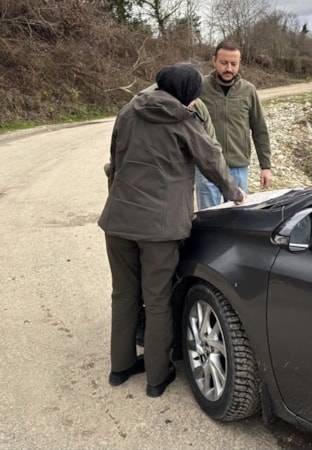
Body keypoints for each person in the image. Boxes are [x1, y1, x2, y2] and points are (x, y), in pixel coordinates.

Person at [98, 63, 244, 398]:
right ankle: (156, 377)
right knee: (158, 299)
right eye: (194, 96)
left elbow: (115, 162)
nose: (194, 102)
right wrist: (234, 193)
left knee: (123, 296)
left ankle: (120, 368)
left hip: (118, 221)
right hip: (160, 229)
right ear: (187, 94)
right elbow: (212, 160)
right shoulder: (182, 120)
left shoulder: (128, 111)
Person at [197, 40, 273, 209]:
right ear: (214, 60)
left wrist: (265, 166)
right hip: (207, 167)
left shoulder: (248, 90)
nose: (229, 69)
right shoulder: (199, 87)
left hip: (238, 167)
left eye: (234, 64)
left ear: (239, 63)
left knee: (237, 215)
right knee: (207, 217)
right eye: (224, 63)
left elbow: (260, 129)